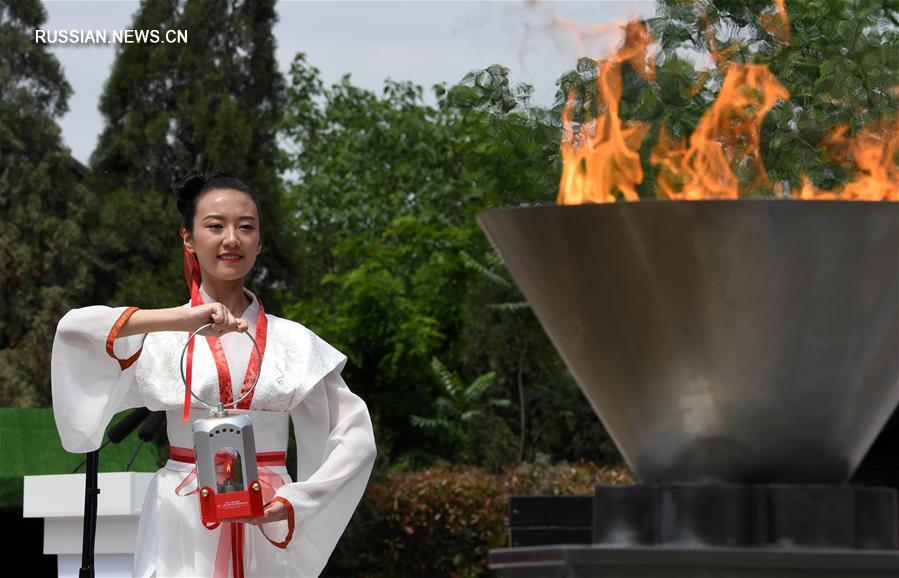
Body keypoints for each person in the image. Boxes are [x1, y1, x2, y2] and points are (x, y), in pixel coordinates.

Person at [50, 171, 377, 577]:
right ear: (187, 238)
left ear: (260, 241)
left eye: (246, 227)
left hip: (266, 508)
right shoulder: (162, 336)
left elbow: (356, 438)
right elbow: (73, 331)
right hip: (182, 513)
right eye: (215, 226)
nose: (231, 239)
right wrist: (181, 319)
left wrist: (296, 502)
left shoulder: (294, 341)